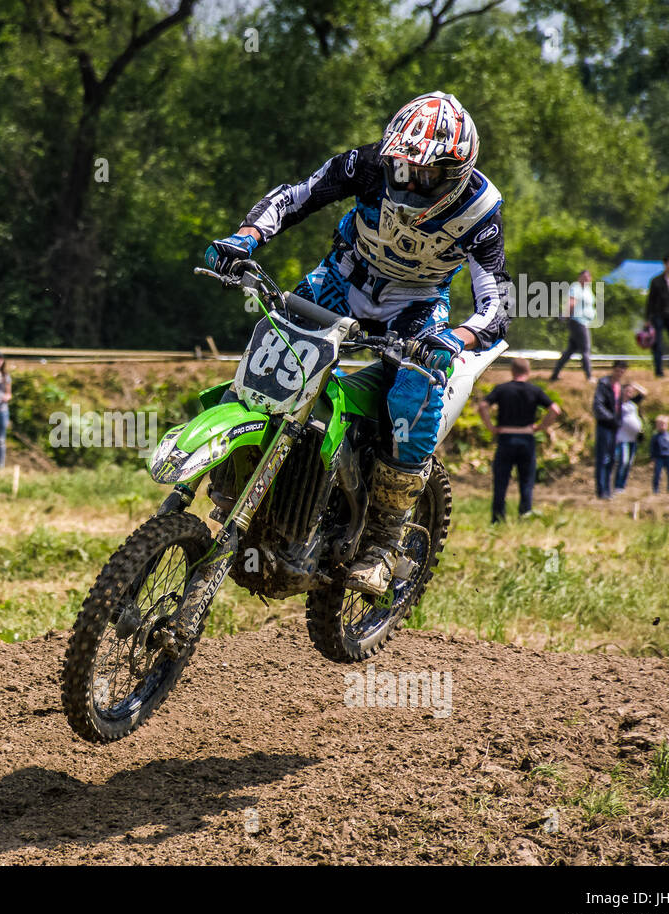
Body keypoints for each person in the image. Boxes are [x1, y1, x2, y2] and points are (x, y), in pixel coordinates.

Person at [205, 91, 509, 595]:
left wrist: (456, 337)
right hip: (344, 277)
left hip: (415, 304)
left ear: (458, 172)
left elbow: (497, 303)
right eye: (402, 169)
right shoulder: (367, 164)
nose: (408, 182)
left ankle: (385, 542)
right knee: (275, 348)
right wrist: (245, 238)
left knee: (417, 387)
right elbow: (298, 195)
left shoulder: (481, 210)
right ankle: (246, 475)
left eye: (426, 175)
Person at [477, 357, 561, 523]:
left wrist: (490, 427)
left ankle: (498, 518)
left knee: (501, 481)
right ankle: (525, 516)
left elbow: (482, 406)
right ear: (528, 372)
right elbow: (555, 410)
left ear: (512, 371)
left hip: (506, 437)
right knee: (526, 482)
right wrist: (541, 426)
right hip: (526, 438)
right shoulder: (535, 390)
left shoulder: (502, 389)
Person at [592, 360, 628, 499]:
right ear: (613, 369)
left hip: (614, 427)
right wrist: (612, 418)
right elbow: (598, 405)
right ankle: (601, 491)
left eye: (622, 371)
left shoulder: (619, 386)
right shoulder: (604, 384)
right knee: (603, 459)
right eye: (618, 370)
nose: (620, 373)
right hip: (605, 425)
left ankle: (608, 489)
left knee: (612, 459)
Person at [550, 269, 595, 382]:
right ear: (579, 278)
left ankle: (555, 375)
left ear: (590, 279)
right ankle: (589, 377)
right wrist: (565, 315)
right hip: (577, 322)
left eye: (587, 277)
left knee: (570, 350)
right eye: (583, 277)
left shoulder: (588, 289)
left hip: (583, 322)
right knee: (585, 349)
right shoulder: (576, 287)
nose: (585, 280)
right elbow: (571, 303)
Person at [613, 382, 647, 491]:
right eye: (627, 391)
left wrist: (634, 385)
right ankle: (617, 485)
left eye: (631, 392)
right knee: (623, 461)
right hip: (622, 438)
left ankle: (622, 485)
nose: (629, 394)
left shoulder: (633, 403)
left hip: (633, 438)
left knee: (629, 463)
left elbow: (644, 393)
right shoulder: (617, 404)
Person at [649, 415, 669, 493]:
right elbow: (652, 448)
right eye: (660, 424)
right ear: (657, 426)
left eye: (664, 424)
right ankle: (656, 488)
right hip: (659, 457)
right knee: (658, 473)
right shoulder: (655, 437)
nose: (662, 426)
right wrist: (652, 458)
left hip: (668, 457)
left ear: (667, 425)